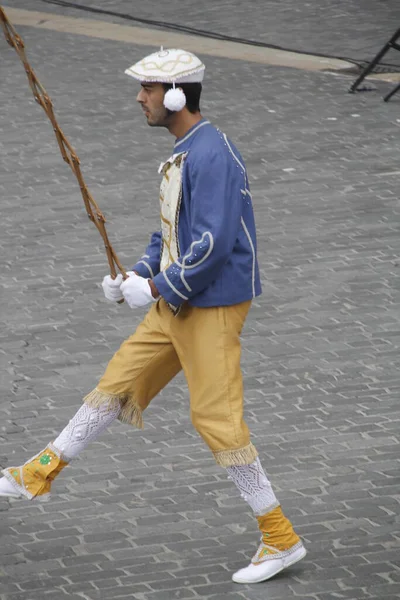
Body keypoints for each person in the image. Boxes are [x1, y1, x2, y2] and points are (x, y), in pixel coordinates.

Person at [0, 48, 306, 584]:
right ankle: (36, 475)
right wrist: (135, 276)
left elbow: (210, 246)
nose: (139, 98)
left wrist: (158, 285)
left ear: (174, 96)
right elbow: (169, 233)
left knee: (217, 420)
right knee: (116, 384)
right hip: (179, 301)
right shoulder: (186, 151)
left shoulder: (212, 155)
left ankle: (281, 538)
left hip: (209, 305)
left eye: (146, 89)